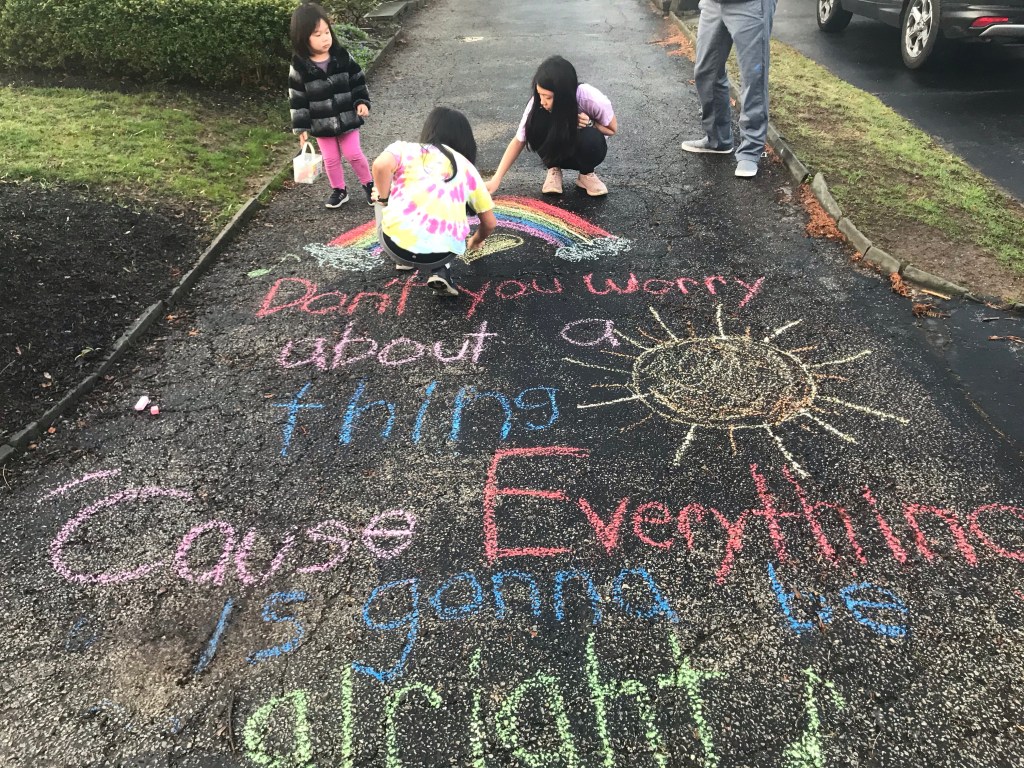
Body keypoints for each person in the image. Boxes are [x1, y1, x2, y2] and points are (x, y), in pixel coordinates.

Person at [371, 107, 497, 297]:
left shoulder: (404, 149)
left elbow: (380, 165)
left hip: (394, 246)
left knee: (379, 191)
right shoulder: (467, 168)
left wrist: (383, 197)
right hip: (440, 255)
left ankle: (403, 259)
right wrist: (475, 241)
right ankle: (441, 270)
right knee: (446, 214)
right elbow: (490, 223)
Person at [486, 56, 617, 198]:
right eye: (540, 95)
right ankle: (553, 168)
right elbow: (519, 140)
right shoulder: (537, 103)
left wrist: (590, 123)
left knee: (591, 138)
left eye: (548, 97)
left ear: (564, 94)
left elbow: (612, 129)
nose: (543, 102)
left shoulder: (589, 97)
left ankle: (586, 174)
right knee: (536, 121)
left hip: (581, 149)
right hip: (554, 151)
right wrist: (496, 179)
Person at [288, 2, 375, 208]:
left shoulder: (341, 56)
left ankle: (369, 184)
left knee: (354, 154)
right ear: (303, 37)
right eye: (317, 35)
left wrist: (361, 101)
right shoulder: (300, 66)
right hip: (321, 123)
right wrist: (301, 126)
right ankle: (339, 189)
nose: (325, 38)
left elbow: (357, 79)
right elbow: (297, 98)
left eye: (327, 32)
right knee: (331, 159)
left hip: (348, 117)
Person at [681, 0, 778, 178]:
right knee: (706, 71)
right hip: (713, 4)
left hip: (751, 5)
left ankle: (750, 151)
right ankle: (718, 140)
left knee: (753, 77)